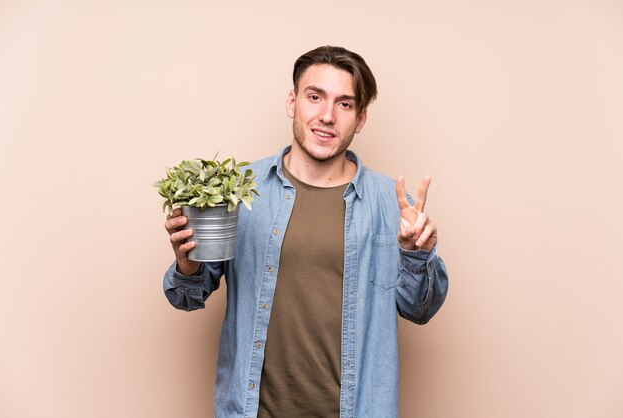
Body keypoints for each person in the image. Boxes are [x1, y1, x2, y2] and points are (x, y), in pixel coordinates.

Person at [162, 45, 449, 418]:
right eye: (315, 98)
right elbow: (188, 296)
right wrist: (188, 263)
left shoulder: (390, 203)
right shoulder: (240, 190)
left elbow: (421, 309)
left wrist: (416, 254)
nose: (327, 116)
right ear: (292, 102)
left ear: (360, 119)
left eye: (345, 104)